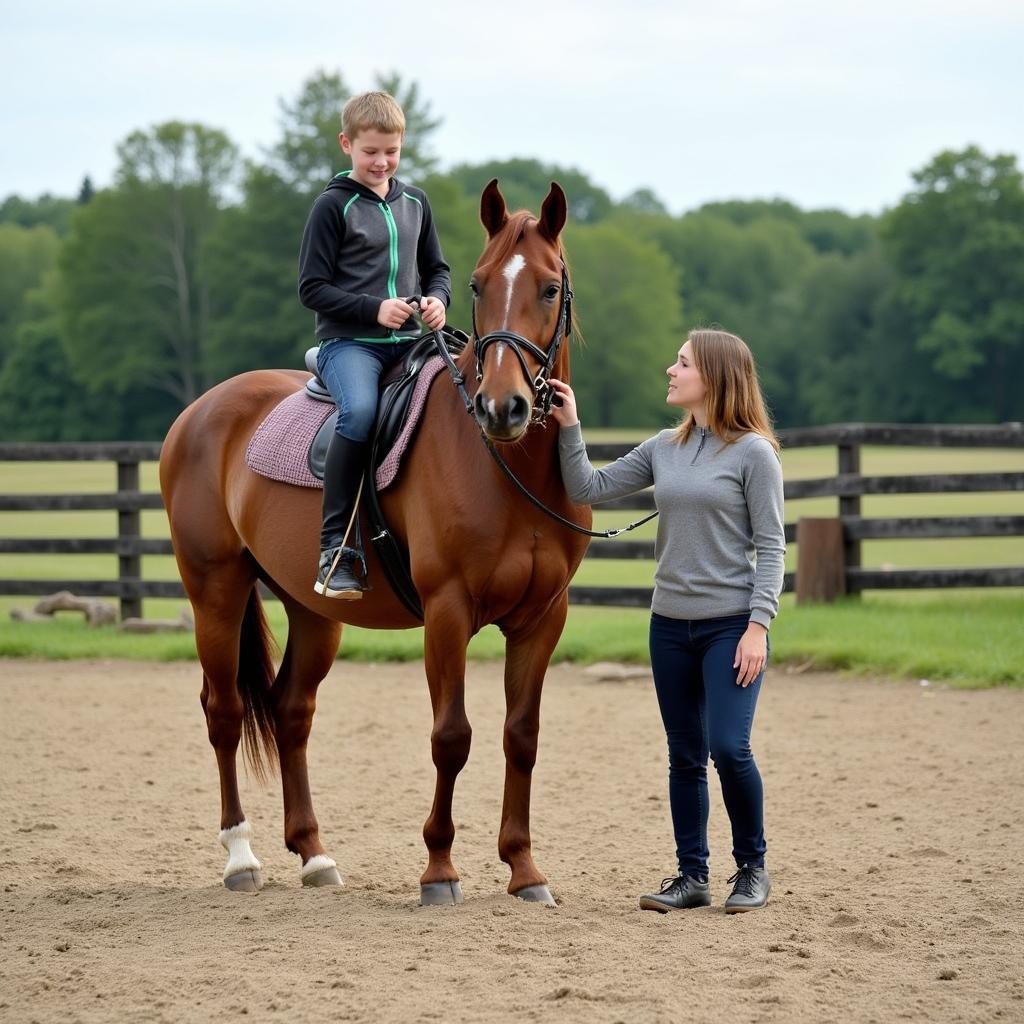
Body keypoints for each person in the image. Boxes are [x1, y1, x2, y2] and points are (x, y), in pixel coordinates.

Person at [549, 329, 785, 913]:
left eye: (681, 363)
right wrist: (570, 423)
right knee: (684, 754)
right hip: (669, 625)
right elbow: (588, 487)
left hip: (730, 626)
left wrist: (759, 626)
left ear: (714, 377)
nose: (670, 370)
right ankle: (691, 876)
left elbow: (773, 547)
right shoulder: (663, 447)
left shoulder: (754, 453)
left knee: (728, 748)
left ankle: (752, 869)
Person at [298, 90, 451, 599]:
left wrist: (437, 301)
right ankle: (335, 549)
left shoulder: (416, 202)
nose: (382, 162)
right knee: (360, 413)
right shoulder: (331, 206)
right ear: (347, 144)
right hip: (351, 345)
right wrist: (372, 309)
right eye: (370, 151)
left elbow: (438, 270)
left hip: (412, 344)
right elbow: (311, 288)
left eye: (391, 151)